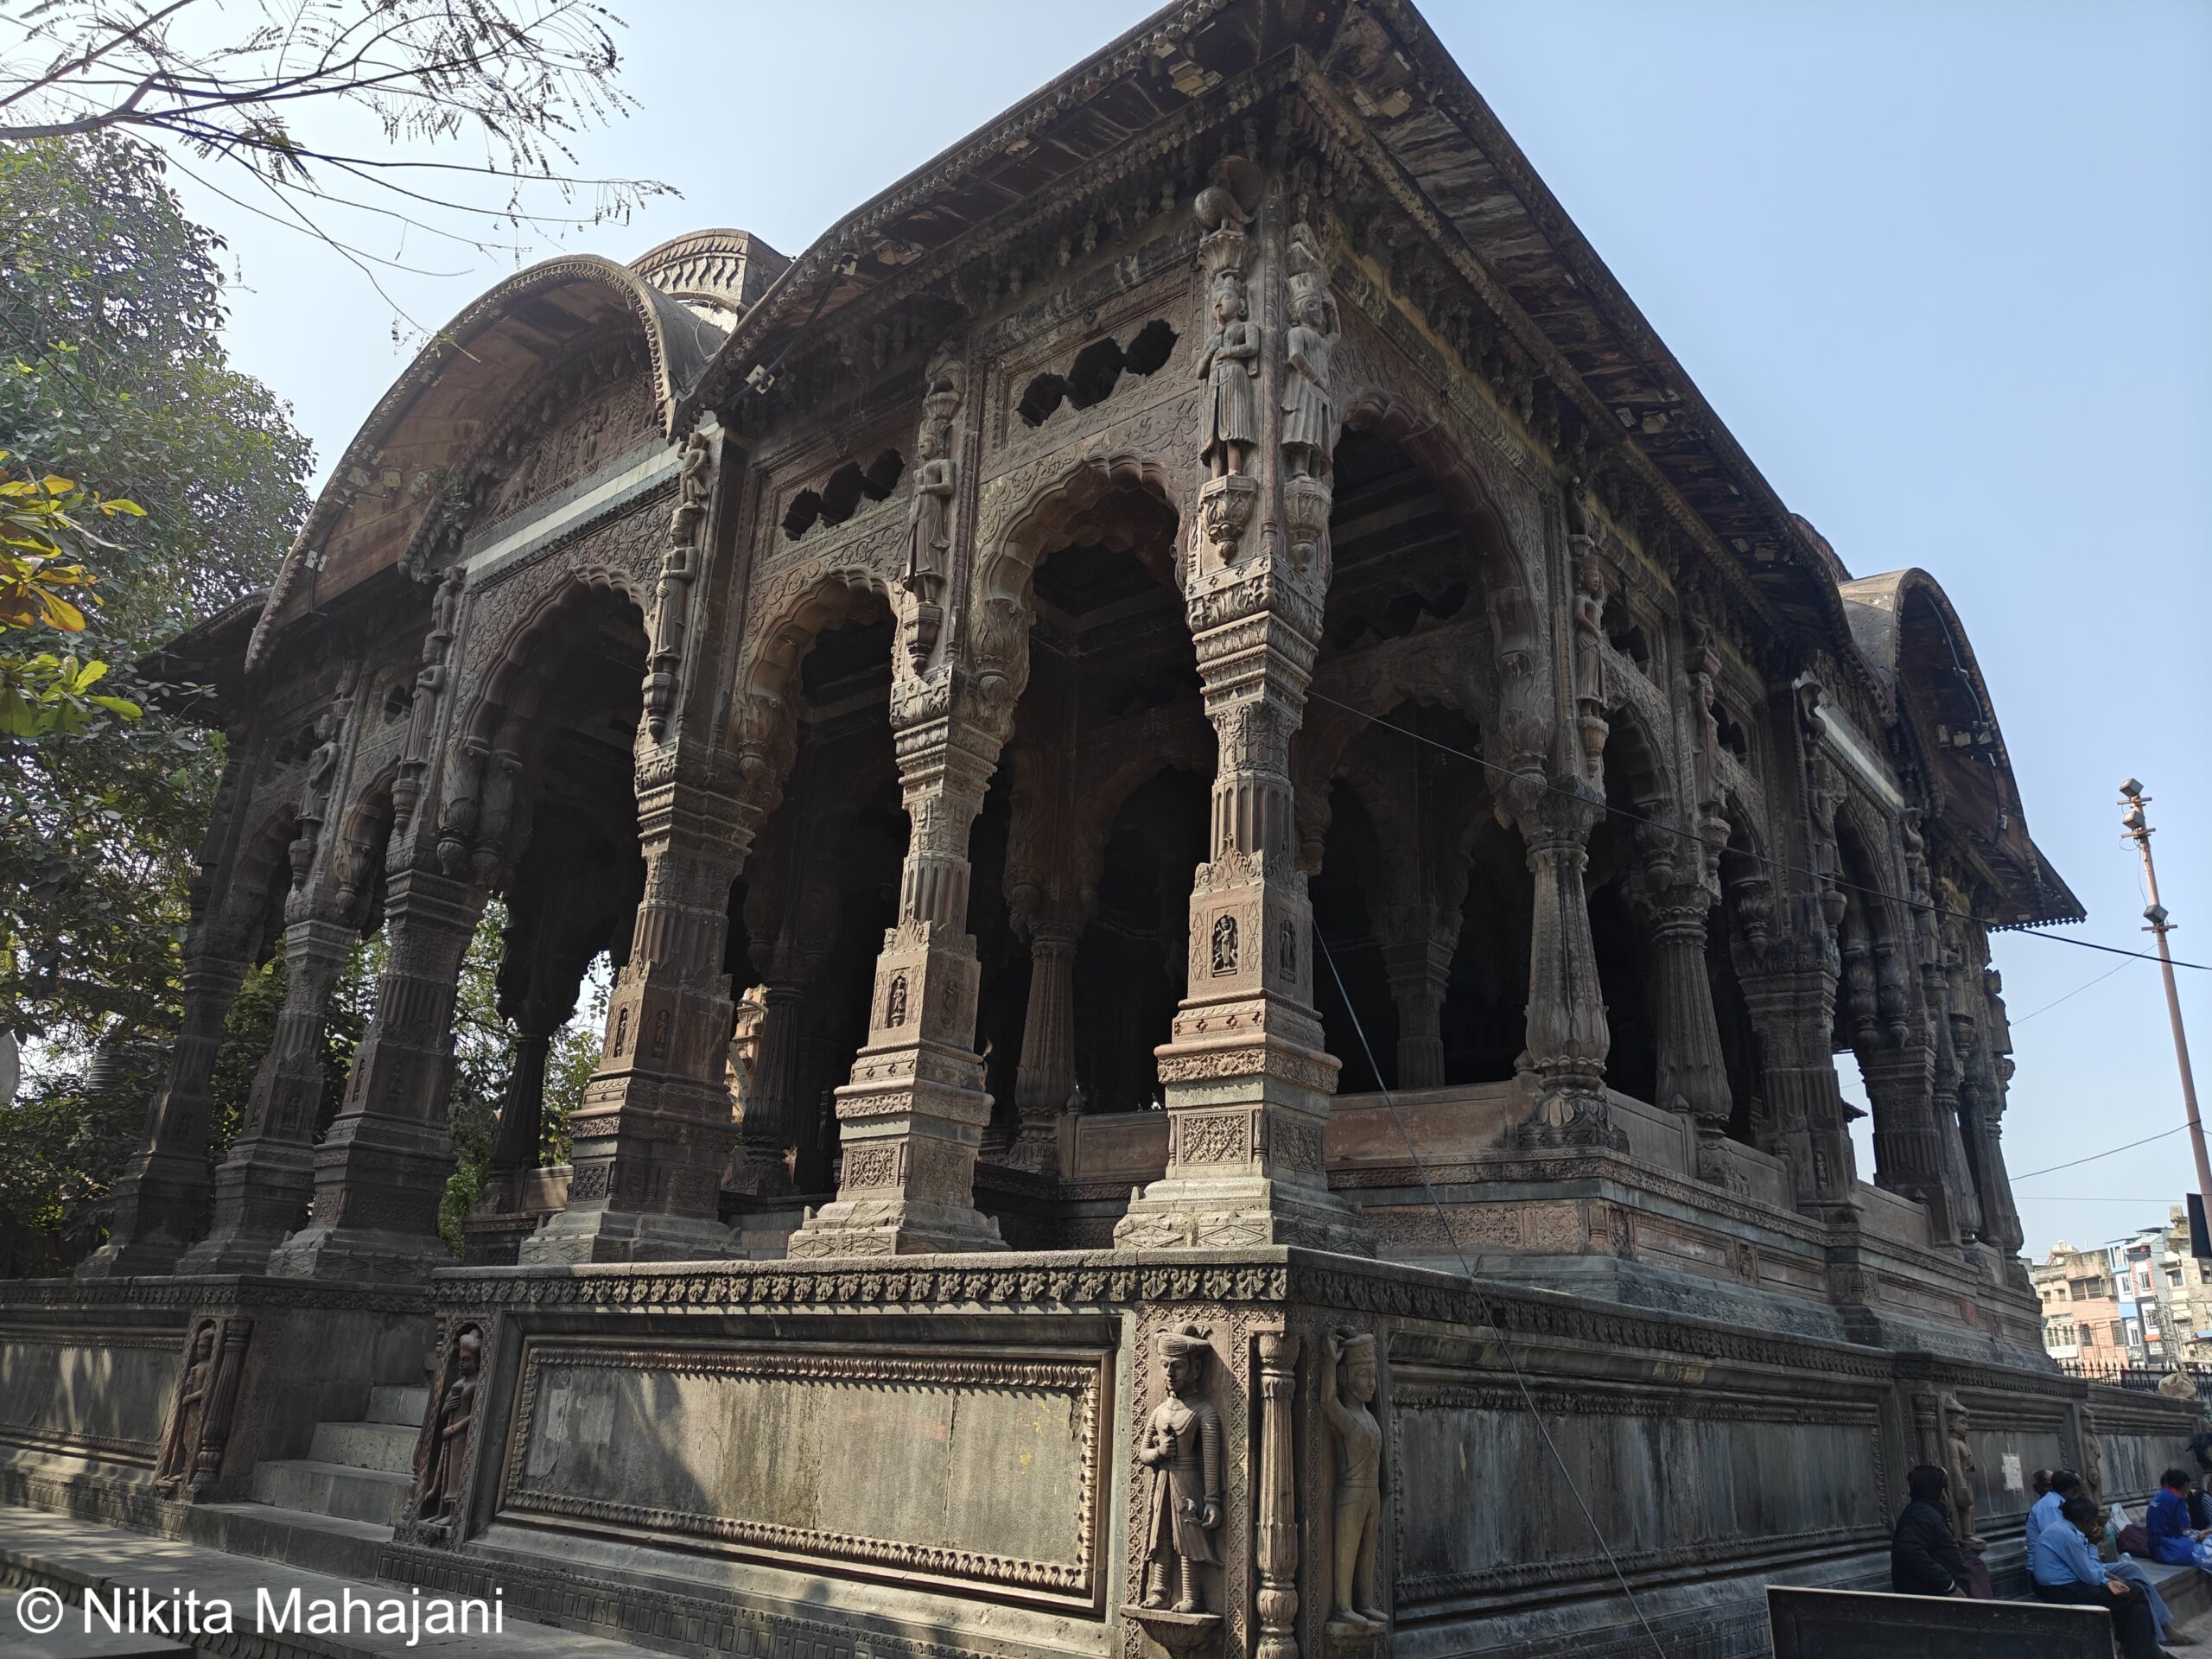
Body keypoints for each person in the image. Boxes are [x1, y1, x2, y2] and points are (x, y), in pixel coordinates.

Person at [2031, 1491, 2174, 1659]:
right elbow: (2089, 1576)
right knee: (2135, 1591)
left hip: (2070, 1584)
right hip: (2062, 1590)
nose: (2095, 1526)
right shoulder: (2069, 1536)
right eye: (2094, 1521)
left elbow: (2091, 1567)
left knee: (2135, 1607)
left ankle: (2141, 1652)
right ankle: (2147, 1653)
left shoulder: (2064, 1529)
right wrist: (2095, 1552)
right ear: (2085, 1520)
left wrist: (2107, 1578)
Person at [1891, 1464, 1972, 1597]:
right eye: (1946, 1489)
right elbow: (1908, 1547)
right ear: (1942, 1493)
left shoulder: (1924, 1512)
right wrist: (1949, 1585)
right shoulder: (1920, 1514)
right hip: (1934, 1599)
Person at [2150, 1468, 2211, 1567]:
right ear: (2186, 1485)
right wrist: (2199, 1535)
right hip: (2173, 1548)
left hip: (2157, 1549)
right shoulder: (2177, 1500)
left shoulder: (2158, 1497)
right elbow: (2185, 1532)